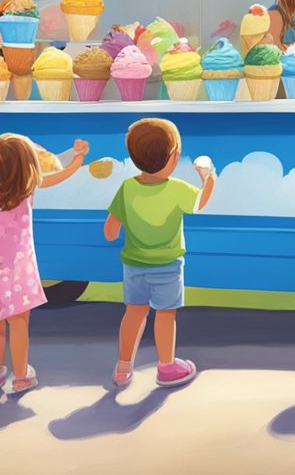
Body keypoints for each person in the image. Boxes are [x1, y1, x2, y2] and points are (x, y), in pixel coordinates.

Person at [0, 134, 88, 395]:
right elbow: (59, 177)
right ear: (27, 169)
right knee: (19, 324)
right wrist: (78, 160)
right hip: (20, 274)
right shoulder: (27, 193)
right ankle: (21, 377)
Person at [104, 119, 216, 389]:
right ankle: (166, 367)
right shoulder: (178, 189)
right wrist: (208, 177)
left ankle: (123, 367)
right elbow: (200, 203)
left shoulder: (127, 188)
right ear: (174, 156)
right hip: (167, 265)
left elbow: (109, 232)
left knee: (134, 313)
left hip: (133, 265)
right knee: (165, 315)